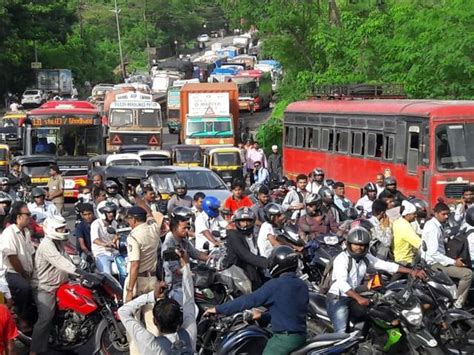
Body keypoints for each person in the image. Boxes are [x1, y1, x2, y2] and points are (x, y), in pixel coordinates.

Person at [205, 246, 309, 355]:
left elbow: (248, 300)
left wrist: (218, 309)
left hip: (284, 340)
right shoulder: (301, 284)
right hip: (300, 336)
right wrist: (262, 316)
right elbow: (289, 312)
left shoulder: (275, 285)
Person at [326, 227, 426, 333]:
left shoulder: (365, 258)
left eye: (362, 245)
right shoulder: (342, 259)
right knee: (341, 334)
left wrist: (411, 271)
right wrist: (359, 298)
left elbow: (386, 265)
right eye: (356, 244)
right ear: (349, 244)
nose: (359, 248)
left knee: (379, 315)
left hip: (354, 296)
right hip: (338, 298)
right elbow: (342, 284)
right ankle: (341, 348)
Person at [118, 250, 196, 354]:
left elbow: (123, 311)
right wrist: (186, 266)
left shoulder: (150, 343)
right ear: (179, 319)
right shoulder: (189, 334)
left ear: (155, 322)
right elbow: (189, 298)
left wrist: (152, 295)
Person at [30, 215, 80, 355]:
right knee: (46, 318)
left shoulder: (59, 241)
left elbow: (69, 259)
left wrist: (81, 269)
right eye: (60, 228)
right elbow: (60, 262)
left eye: (64, 227)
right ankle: (34, 351)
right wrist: (79, 272)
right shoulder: (47, 245)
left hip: (62, 285)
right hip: (46, 288)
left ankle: (68, 342)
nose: (63, 230)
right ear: (52, 229)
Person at [124, 206, 163, 355]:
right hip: (152, 279)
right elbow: (157, 216)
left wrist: (129, 291)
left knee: (132, 322)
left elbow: (135, 264)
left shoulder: (133, 237)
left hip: (137, 281)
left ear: (133, 220)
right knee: (152, 322)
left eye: (129, 218)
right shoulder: (154, 229)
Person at [421, 202, 472, 308]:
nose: (446, 216)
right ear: (436, 213)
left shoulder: (436, 225)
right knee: (468, 274)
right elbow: (433, 253)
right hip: (434, 264)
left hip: (438, 260)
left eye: (448, 214)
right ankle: (458, 303)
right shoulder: (433, 228)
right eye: (443, 214)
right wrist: (454, 262)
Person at [0, 202, 36, 331]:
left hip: (26, 271)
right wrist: (24, 274)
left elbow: (31, 253)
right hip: (11, 272)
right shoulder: (9, 233)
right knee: (24, 287)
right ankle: (21, 316)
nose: (29, 217)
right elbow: (12, 258)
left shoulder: (25, 231)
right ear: (18, 216)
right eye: (27, 214)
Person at [162, 207, 208, 304]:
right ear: (174, 228)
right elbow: (175, 270)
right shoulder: (168, 245)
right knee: (192, 309)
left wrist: (212, 258)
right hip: (176, 287)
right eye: (184, 228)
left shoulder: (184, 241)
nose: (187, 231)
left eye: (188, 228)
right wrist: (191, 273)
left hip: (188, 282)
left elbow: (196, 254)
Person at [225, 207, 269, 290]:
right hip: (238, 275)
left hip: (254, 271)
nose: (246, 224)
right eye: (242, 221)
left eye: (248, 221)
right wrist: (268, 263)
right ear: (237, 222)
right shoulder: (233, 235)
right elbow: (245, 255)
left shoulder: (253, 235)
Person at [90, 201, 119, 275]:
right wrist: (105, 244)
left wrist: (117, 240)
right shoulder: (96, 224)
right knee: (107, 275)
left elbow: (116, 236)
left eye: (112, 212)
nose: (111, 214)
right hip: (101, 253)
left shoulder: (114, 223)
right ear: (102, 213)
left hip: (114, 253)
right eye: (108, 212)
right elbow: (95, 240)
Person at [392, 200, 421, 265]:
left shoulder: (398, 222)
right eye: (414, 214)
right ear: (407, 215)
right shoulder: (405, 226)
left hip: (397, 258)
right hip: (406, 261)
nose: (416, 215)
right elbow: (419, 244)